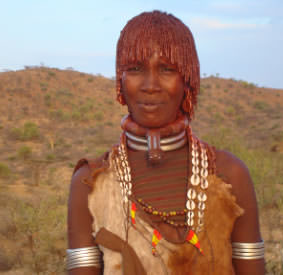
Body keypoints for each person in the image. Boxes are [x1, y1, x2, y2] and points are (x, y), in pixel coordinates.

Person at [67, 10, 265, 275]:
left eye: (167, 69)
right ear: (120, 80)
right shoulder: (90, 183)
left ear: (188, 79)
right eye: (135, 69)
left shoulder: (229, 175)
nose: (151, 85)